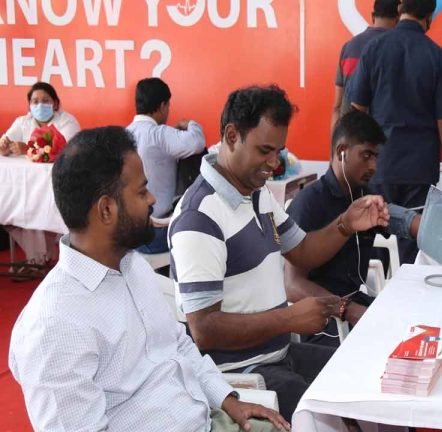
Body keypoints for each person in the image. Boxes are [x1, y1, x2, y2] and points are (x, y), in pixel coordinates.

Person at [9, 126, 289, 432]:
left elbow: (178, 345)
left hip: (204, 418)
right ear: (106, 210)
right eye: (142, 191)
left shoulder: (132, 266)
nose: (152, 198)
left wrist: (228, 400)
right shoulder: (55, 326)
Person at [169, 85, 389, 421]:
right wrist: (289, 318)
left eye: (280, 152)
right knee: (341, 413)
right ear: (231, 136)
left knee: (373, 378)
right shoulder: (199, 217)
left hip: (280, 355)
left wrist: (346, 223)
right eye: (265, 151)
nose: (274, 164)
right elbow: (204, 329)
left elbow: (302, 251)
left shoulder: (255, 193)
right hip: (243, 377)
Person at [286, 110, 420, 346]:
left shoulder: (362, 196)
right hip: (322, 318)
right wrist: (346, 309)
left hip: (352, 302)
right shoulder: (309, 203)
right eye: (366, 155)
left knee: (411, 326)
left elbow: (403, 221)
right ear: (342, 152)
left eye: (376, 157)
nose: (374, 166)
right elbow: (292, 284)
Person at [348, 0, 442, 264]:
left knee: (373, 240)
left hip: (378, 166)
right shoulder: (435, 55)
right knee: (412, 244)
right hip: (419, 170)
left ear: (400, 8)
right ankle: (409, 300)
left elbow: (357, 110)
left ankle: (373, 299)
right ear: (430, 16)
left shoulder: (374, 48)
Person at [0, 81, 81, 279]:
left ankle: (43, 259)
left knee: (39, 205)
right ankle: (37, 258)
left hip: (61, 185)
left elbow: (63, 151)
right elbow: (6, 142)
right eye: (35, 101)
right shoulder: (23, 122)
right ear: (29, 105)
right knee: (20, 206)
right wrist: (4, 145)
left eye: (45, 100)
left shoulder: (67, 121)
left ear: (55, 103)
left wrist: (26, 148)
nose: (40, 105)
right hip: (28, 186)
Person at [127, 77, 206, 255]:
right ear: (162, 106)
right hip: (156, 234)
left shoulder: (124, 135)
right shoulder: (159, 135)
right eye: (168, 107)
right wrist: (189, 124)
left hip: (130, 234)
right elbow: (197, 142)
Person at [330, 0, 400, 130]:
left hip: (350, 138)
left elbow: (337, 106)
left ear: (373, 16)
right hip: (382, 139)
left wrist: (336, 147)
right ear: (398, 18)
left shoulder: (348, 47)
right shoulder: (399, 50)